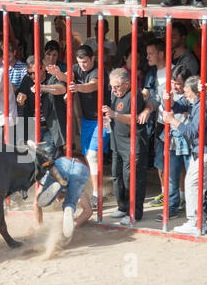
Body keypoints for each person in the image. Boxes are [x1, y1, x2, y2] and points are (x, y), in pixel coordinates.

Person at [48, 44, 111, 209]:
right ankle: (99, 191)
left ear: (92, 59)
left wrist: (77, 87)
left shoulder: (98, 70)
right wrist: (58, 74)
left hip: (102, 119)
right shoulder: (76, 68)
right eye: (80, 62)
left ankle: (97, 195)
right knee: (89, 158)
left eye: (85, 62)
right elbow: (67, 77)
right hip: (87, 120)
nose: (82, 65)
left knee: (92, 156)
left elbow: (93, 85)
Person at [16, 55, 67, 225]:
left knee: (47, 161)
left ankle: (45, 195)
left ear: (42, 69)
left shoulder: (52, 78)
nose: (32, 77)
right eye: (29, 74)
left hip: (51, 129)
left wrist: (41, 87)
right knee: (36, 163)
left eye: (34, 72)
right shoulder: (26, 80)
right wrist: (21, 103)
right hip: (35, 129)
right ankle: (54, 191)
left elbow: (61, 89)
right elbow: (22, 108)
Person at [102, 68, 148, 225]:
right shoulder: (115, 94)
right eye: (111, 87)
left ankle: (133, 212)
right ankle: (122, 207)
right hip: (117, 143)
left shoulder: (134, 96)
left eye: (117, 86)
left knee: (132, 180)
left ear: (127, 84)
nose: (113, 90)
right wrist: (108, 119)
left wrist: (114, 114)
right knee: (117, 177)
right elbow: (115, 115)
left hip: (132, 144)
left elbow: (134, 118)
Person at [163, 76, 207, 234]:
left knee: (192, 184)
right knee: (199, 186)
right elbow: (181, 105)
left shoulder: (202, 106)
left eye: (187, 92)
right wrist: (170, 101)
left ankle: (194, 221)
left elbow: (193, 132)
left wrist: (173, 121)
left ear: (197, 92)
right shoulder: (197, 102)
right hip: (201, 151)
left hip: (203, 152)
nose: (185, 95)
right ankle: (199, 221)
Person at [152, 65, 192, 221]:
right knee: (171, 175)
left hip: (190, 140)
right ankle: (171, 208)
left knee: (193, 177)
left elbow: (182, 108)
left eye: (179, 83)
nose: (176, 86)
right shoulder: (167, 92)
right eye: (174, 83)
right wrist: (166, 98)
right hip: (172, 138)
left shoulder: (193, 94)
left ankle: (196, 211)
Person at [142, 38, 174, 207]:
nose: (148, 57)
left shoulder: (174, 72)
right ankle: (165, 193)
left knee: (177, 160)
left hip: (175, 123)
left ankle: (179, 195)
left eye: (151, 53)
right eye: (147, 54)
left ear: (161, 54)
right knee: (160, 160)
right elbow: (146, 94)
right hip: (160, 123)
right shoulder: (151, 73)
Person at [37, 155, 93, 240]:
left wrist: (39, 226)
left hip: (62, 164)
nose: (58, 200)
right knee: (70, 203)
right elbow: (88, 211)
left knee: (40, 201)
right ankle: (69, 206)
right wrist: (73, 225)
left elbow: (35, 203)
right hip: (81, 170)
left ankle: (52, 191)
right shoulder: (79, 190)